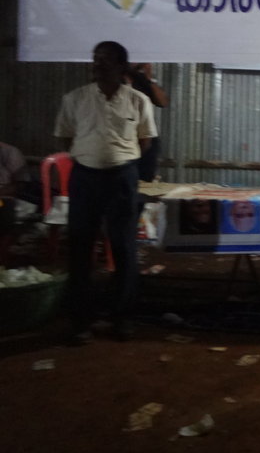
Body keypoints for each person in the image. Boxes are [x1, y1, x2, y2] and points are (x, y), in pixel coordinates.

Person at [54, 41, 156, 344]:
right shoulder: (75, 99)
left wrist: (117, 159)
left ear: (122, 66)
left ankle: (122, 318)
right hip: (85, 178)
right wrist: (91, 157)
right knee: (80, 247)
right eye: (96, 59)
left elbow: (145, 142)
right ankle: (80, 322)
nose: (98, 64)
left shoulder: (138, 101)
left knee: (123, 247)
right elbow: (65, 139)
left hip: (122, 179)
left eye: (107, 60)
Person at [126, 63, 169, 182]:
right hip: (122, 138)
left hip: (145, 138)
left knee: (145, 180)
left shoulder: (141, 80)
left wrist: (149, 78)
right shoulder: (113, 80)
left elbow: (163, 102)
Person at [0, 141, 31, 265]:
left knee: (4, 207)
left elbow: (19, 184)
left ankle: (2, 257)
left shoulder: (10, 152)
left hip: (2, 198)